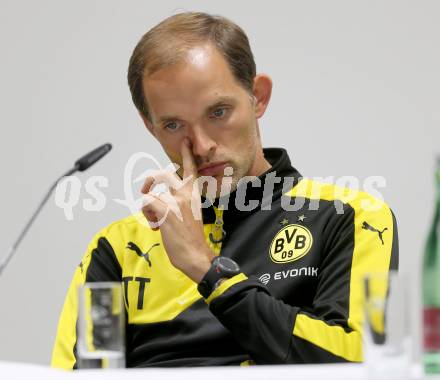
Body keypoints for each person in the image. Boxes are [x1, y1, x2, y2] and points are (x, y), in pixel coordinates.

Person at [51, 12, 398, 368]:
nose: (201, 146)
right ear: (150, 127)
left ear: (258, 97)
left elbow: (358, 364)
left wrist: (208, 271)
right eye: (173, 124)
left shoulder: (349, 216)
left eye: (218, 112)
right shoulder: (118, 248)